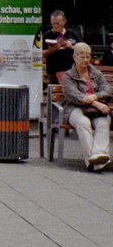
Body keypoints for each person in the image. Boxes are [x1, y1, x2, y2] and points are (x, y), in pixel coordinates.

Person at [59, 42, 111, 171]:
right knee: (83, 123)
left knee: (103, 122)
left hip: (95, 110)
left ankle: (98, 155)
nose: (86, 60)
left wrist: (95, 97)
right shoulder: (68, 76)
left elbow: (107, 90)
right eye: (82, 57)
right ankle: (93, 161)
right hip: (74, 108)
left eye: (88, 57)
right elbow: (74, 95)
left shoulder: (96, 74)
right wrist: (96, 101)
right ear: (74, 57)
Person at [41, 10, 80, 84]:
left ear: (64, 21)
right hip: (54, 72)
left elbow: (82, 49)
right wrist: (51, 50)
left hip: (71, 71)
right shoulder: (47, 35)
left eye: (58, 23)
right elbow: (40, 54)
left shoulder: (72, 34)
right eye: (53, 23)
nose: (56, 26)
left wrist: (72, 46)